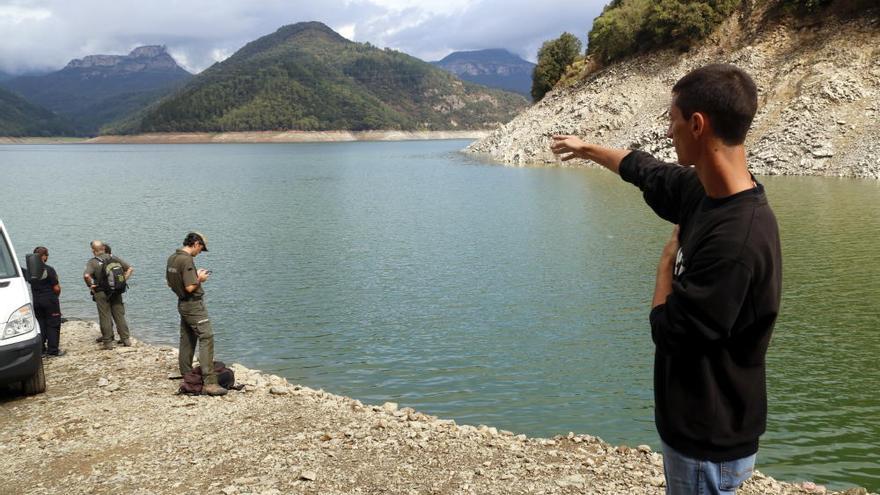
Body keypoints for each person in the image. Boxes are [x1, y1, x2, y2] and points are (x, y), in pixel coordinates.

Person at [550, 64, 782, 495]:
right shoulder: (707, 192)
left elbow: (670, 330)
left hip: (707, 439)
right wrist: (587, 149)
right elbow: (645, 169)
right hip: (698, 430)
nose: (668, 132)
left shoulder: (737, 240)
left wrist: (663, 267)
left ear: (697, 124)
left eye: (671, 120)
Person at [166, 232, 226, 396]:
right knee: (207, 337)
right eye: (201, 248)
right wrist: (199, 279)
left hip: (182, 303)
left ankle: (186, 373)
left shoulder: (173, 258)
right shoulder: (186, 260)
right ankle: (210, 382)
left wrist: (192, 277)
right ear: (196, 244)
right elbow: (190, 287)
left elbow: (169, 282)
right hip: (193, 306)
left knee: (187, 337)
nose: (200, 252)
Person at [83, 240, 134, 349]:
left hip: (101, 292)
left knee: (104, 315)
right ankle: (125, 339)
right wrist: (123, 280)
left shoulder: (93, 262)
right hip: (116, 290)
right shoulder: (113, 258)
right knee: (119, 314)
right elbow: (130, 268)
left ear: (93, 250)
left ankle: (108, 342)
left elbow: (87, 276)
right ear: (104, 248)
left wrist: (90, 285)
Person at [28, 247, 64, 357]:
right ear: (43, 256)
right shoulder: (49, 269)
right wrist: (56, 297)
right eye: (46, 255)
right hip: (49, 300)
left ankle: (41, 350)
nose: (47, 257)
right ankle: (53, 350)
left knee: (41, 324)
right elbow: (56, 288)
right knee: (53, 324)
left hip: (37, 301)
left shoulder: (30, 272)